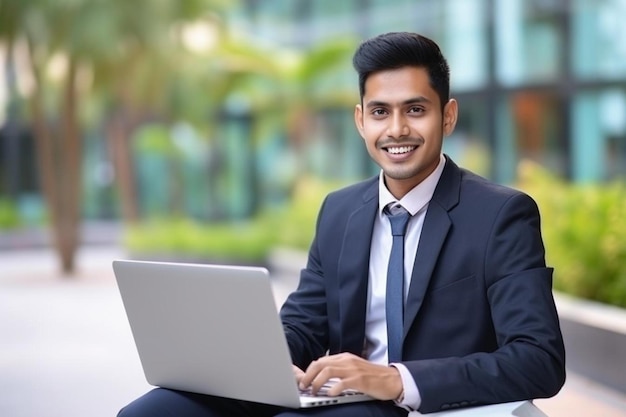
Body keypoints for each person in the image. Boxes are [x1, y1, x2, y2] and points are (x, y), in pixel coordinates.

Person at [118, 31, 565, 417]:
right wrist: (267, 363)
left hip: (416, 404)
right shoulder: (340, 211)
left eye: (414, 110)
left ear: (447, 115)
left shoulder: (501, 215)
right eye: (379, 112)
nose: (396, 129)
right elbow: (304, 325)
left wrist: (393, 379)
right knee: (153, 411)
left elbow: (538, 360)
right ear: (360, 120)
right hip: (337, 399)